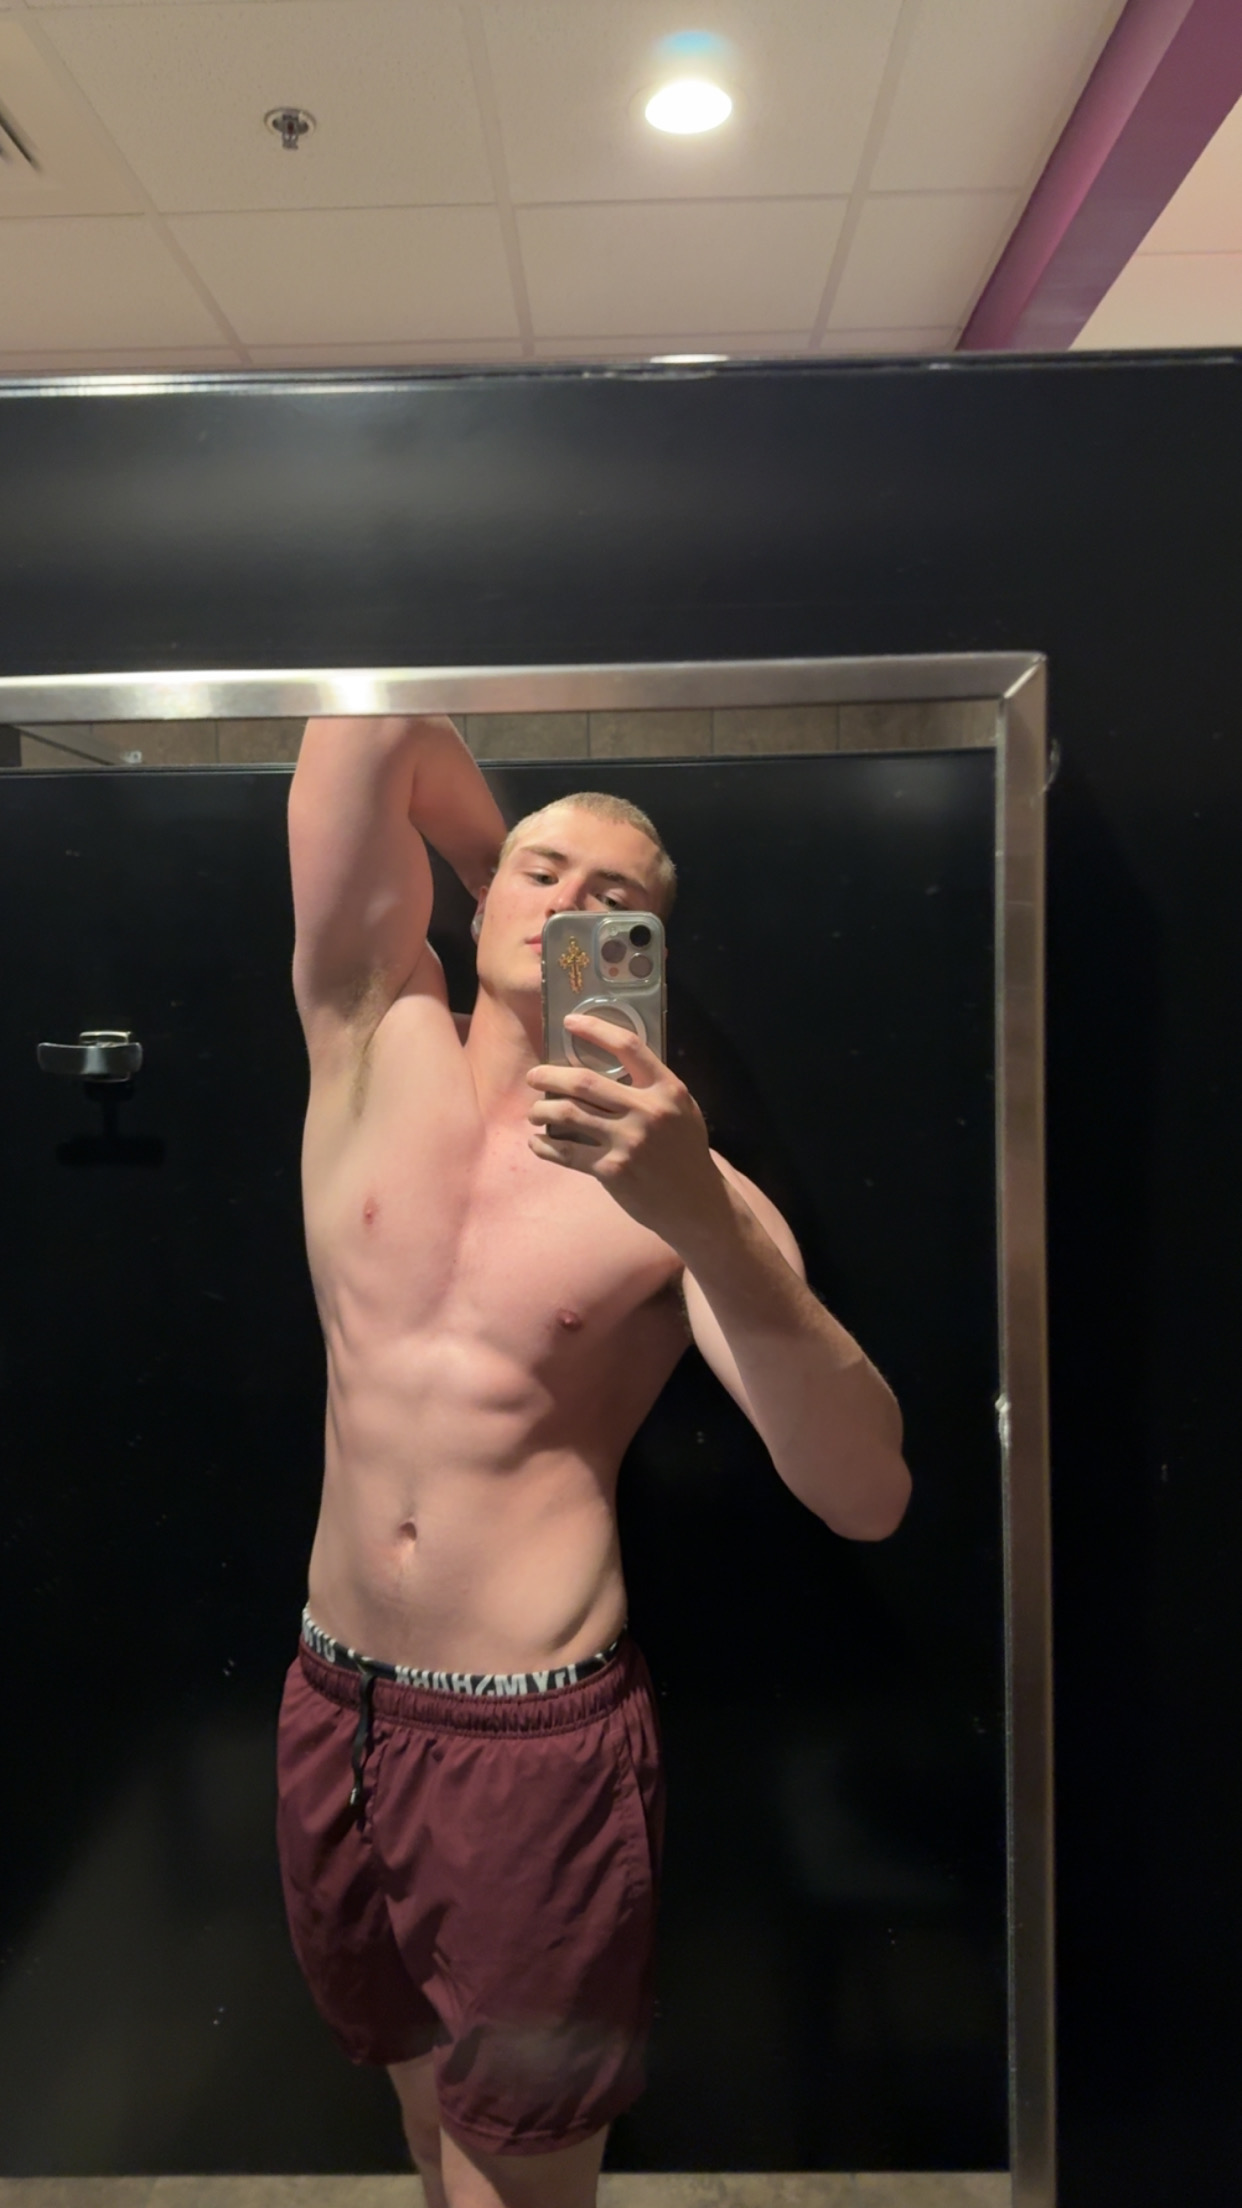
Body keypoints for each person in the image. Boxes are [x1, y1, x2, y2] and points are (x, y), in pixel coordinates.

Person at [278, 713, 911, 2208]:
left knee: (519, 2181)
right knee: (419, 2115)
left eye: (613, 902)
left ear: (649, 958)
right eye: (543, 874)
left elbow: (866, 1493)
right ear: (480, 896)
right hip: (332, 1699)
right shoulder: (368, 1034)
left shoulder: (685, 1181)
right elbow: (365, 723)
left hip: (528, 1747)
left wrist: (697, 1215)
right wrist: (504, 853)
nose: (571, 903)